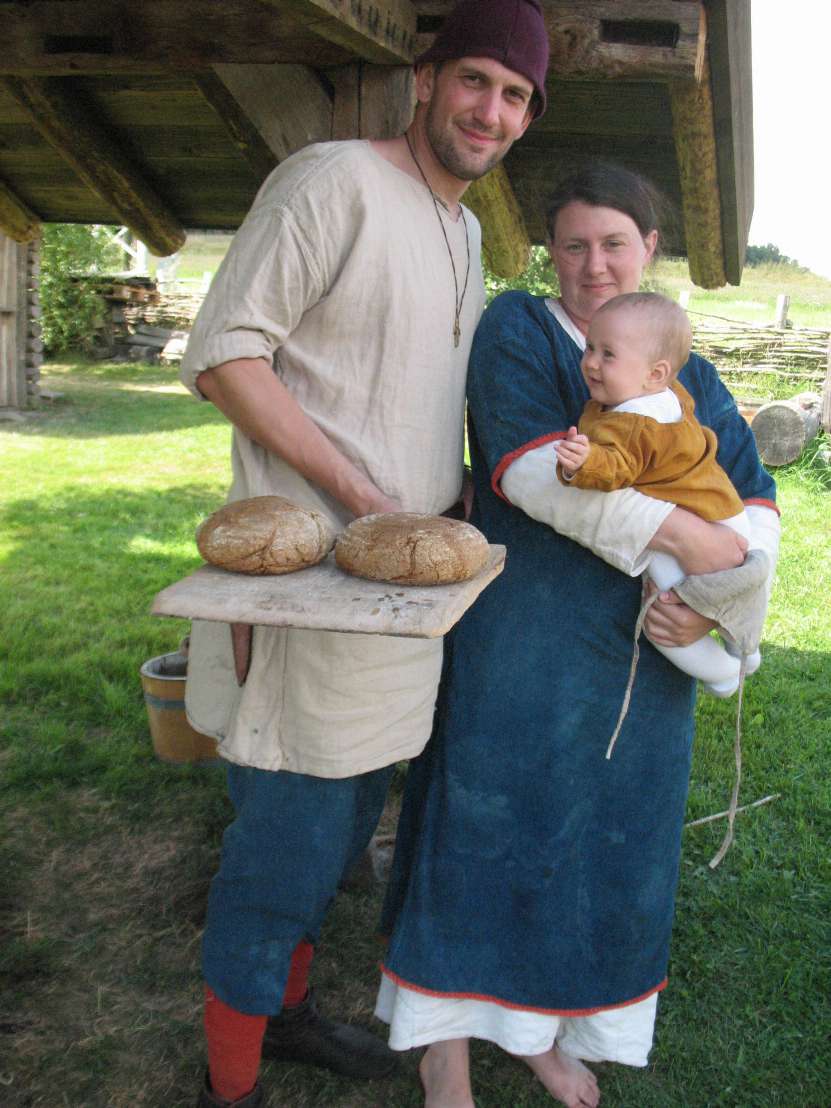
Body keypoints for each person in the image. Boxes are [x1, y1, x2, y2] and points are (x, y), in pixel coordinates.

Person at [177, 2, 550, 1105]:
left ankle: (283, 1015)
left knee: (340, 838)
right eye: (476, 79)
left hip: (397, 601)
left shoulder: (470, 228)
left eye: (516, 95)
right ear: (425, 80)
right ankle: (228, 1082)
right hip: (305, 590)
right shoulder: (333, 179)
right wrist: (355, 493)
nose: (492, 110)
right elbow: (226, 357)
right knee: (284, 847)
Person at [375, 163, 781, 1108]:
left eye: (615, 243)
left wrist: (716, 598)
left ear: (648, 250)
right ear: (547, 254)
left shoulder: (687, 371)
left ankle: (545, 1036)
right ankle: (446, 1047)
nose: (593, 263)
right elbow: (527, 472)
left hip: (642, 657)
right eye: (573, 244)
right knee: (486, 825)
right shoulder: (519, 331)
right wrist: (692, 539)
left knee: (602, 846)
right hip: (527, 634)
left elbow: (755, 494)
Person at [555, 290, 759, 696]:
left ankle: (720, 674)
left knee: (663, 608)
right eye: (590, 347)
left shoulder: (631, 423)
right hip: (722, 509)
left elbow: (616, 469)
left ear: (654, 373)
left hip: (694, 522)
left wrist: (581, 464)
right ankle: (746, 648)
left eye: (608, 355)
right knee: (735, 589)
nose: (591, 363)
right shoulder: (670, 397)